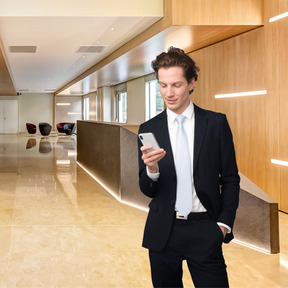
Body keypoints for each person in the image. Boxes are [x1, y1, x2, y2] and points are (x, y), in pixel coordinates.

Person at [137, 47, 240, 288]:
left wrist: (223, 226)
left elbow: (231, 179)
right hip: (163, 231)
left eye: (176, 85)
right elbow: (147, 188)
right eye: (163, 85)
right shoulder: (149, 129)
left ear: (192, 82)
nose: (168, 93)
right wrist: (152, 170)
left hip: (206, 229)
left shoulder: (215, 124)